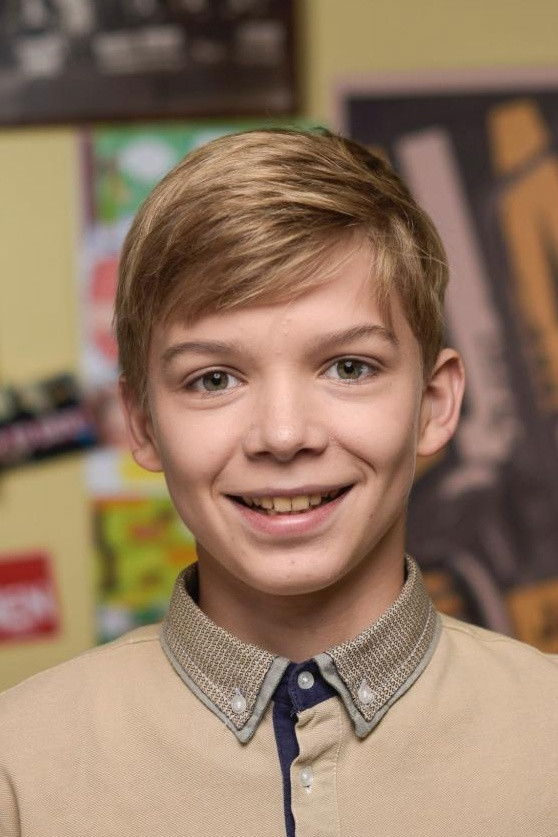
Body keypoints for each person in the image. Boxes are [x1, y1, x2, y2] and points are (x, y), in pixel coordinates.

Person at [1, 128, 557, 837]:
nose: (285, 434)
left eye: (349, 367)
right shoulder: (19, 769)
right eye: (214, 379)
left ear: (434, 404)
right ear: (142, 423)